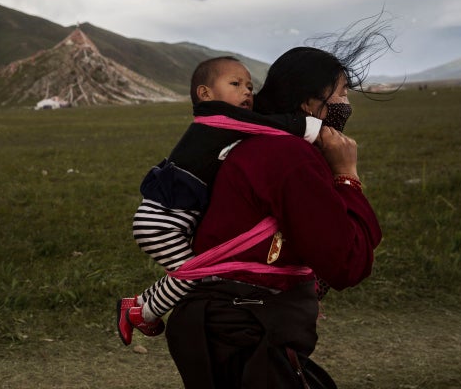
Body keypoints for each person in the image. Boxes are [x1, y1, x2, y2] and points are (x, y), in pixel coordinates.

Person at [164, 20, 391, 388]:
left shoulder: (267, 144)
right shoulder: (288, 156)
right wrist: (347, 175)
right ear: (308, 103)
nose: (347, 105)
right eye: (342, 94)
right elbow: (348, 262)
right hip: (243, 333)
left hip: (223, 326)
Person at [116, 56, 322, 345]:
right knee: (193, 275)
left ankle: (137, 306)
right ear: (206, 94)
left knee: (191, 270)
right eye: (236, 84)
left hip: (166, 223)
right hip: (160, 225)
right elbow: (266, 125)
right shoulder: (217, 117)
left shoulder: (219, 125)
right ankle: (140, 313)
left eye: (250, 86)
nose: (247, 92)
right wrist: (312, 128)